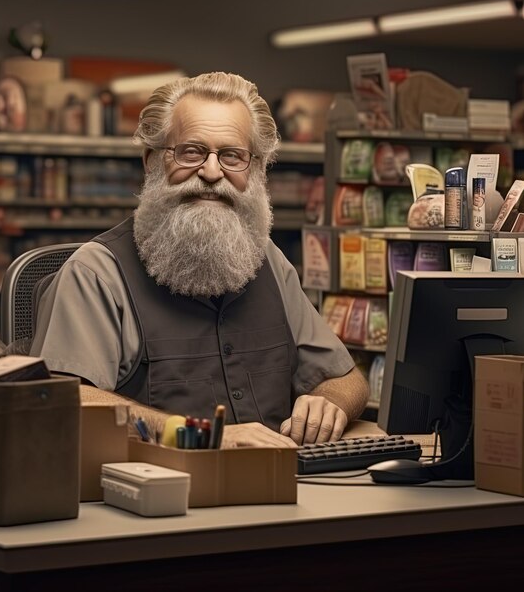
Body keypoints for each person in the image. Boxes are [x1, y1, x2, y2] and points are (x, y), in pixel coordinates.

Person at [30, 71, 369, 448]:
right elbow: (66, 399)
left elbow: (346, 378)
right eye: (191, 151)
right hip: (156, 497)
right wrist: (200, 436)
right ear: (152, 162)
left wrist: (329, 404)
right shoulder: (96, 274)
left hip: (283, 492)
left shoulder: (268, 261)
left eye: (232, 156)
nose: (211, 172)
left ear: (254, 169)